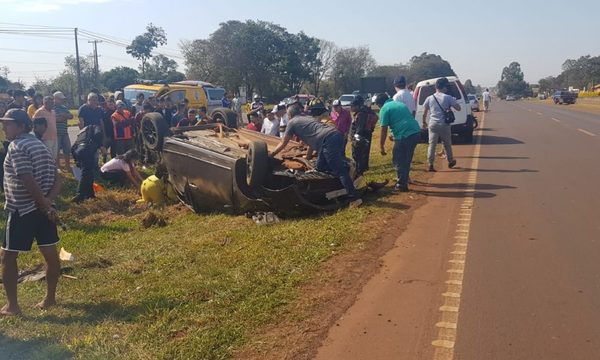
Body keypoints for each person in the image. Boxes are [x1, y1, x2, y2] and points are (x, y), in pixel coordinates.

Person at [0, 109, 62, 316]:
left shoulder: (17, 146)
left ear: (20, 126)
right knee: (51, 254)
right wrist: (48, 204)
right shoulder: (40, 145)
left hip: (23, 210)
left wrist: (44, 204)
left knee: (8, 257)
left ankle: (12, 306)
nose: (4, 127)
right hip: (43, 211)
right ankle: (50, 299)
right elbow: (58, 177)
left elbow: (27, 179)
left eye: (7, 124)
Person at [270, 104, 362, 207]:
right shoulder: (307, 118)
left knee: (339, 170)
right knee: (320, 167)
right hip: (334, 136)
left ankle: (354, 198)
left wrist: (272, 154)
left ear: (290, 114)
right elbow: (311, 143)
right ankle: (344, 171)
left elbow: (284, 142)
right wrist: (307, 158)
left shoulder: (292, 123)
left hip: (328, 140)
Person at [375, 93, 421, 192]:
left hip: (404, 135)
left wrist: (381, 146)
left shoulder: (384, 109)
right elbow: (402, 120)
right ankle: (404, 179)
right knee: (406, 159)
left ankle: (401, 184)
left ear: (379, 104)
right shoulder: (400, 104)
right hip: (415, 132)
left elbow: (383, 129)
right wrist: (394, 134)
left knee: (398, 160)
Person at [422, 77, 459, 172]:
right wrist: (451, 103)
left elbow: (425, 112)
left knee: (432, 144)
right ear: (444, 87)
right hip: (444, 124)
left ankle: (430, 164)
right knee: (447, 144)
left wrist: (423, 122)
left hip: (433, 124)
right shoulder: (447, 97)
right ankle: (450, 160)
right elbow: (458, 108)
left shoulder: (429, 98)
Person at [71, 120, 104, 203]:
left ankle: (90, 195)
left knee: (89, 173)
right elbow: (98, 134)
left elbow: (73, 147)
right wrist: (101, 146)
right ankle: (80, 195)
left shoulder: (83, 131)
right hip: (86, 151)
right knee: (86, 174)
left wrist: (76, 160)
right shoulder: (95, 127)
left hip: (77, 150)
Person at [350, 96, 378, 175]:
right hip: (367, 134)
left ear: (358, 106)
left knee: (358, 154)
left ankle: (359, 171)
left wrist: (355, 138)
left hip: (360, 136)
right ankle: (364, 167)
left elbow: (359, 128)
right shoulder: (367, 110)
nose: (351, 108)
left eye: (352, 106)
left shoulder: (361, 114)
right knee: (365, 152)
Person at [78, 92, 107, 161]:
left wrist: (104, 134)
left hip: (97, 132)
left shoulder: (99, 109)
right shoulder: (83, 108)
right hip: (87, 132)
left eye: (96, 100)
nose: (95, 102)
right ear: (89, 100)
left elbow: (101, 122)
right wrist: (83, 134)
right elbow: (81, 122)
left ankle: (96, 164)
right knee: (88, 150)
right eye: (93, 100)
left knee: (96, 150)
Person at [33, 96, 58, 160]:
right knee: (48, 157)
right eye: (50, 103)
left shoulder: (53, 112)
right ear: (45, 103)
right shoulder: (39, 112)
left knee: (54, 156)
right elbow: (33, 123)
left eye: (53, 102)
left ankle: (53, 169)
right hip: (45, 138)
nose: (52, 104)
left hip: (54, 137)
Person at [53, 91, 73, 172]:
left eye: (62, 99)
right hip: (56, 133)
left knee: (67, 150)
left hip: (65, 132)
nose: (62, 100)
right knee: (56, 151)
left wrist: (63, 116)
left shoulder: (64, 107)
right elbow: (56, 119)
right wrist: (64, 116)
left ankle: (67, 166)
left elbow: (71, 116)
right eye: (60, 99)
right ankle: (59, 167)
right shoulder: (52, 108)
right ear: (55, 99)